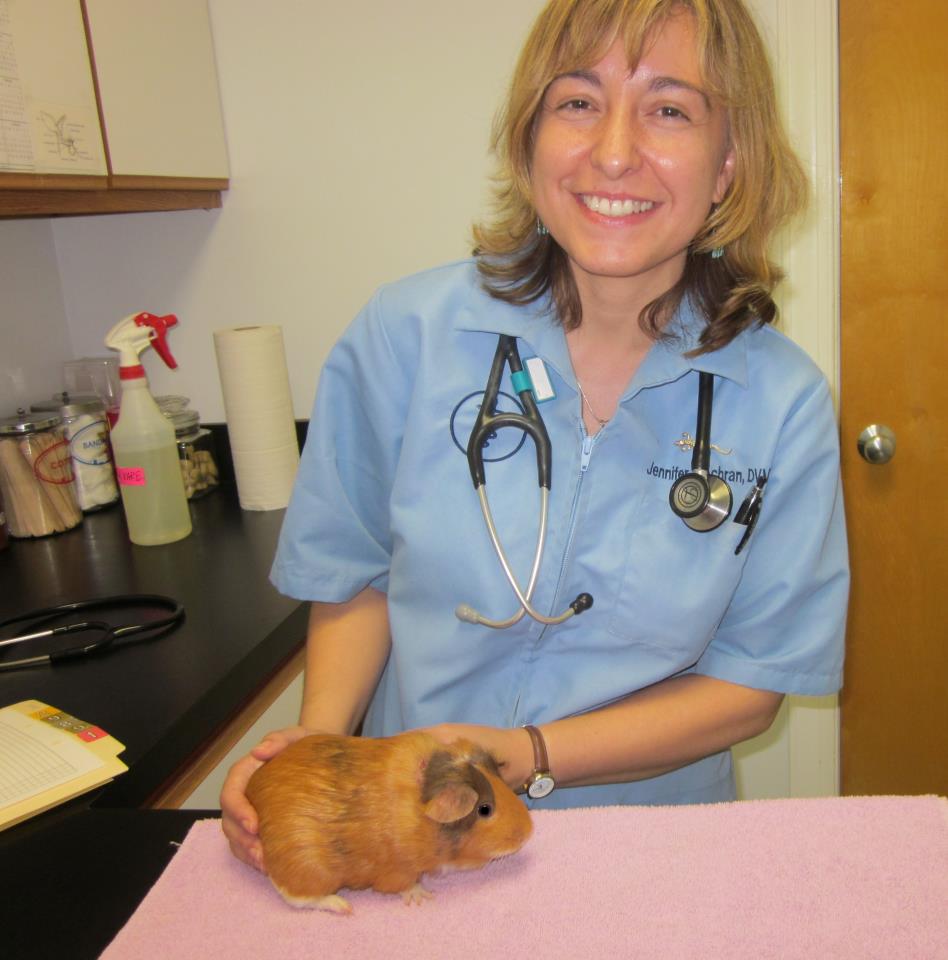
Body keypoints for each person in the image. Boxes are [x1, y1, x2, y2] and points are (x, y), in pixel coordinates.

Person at [222, 0, 848, 871]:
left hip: (650, 842)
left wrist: (528, 754)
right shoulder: (407, 334)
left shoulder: (781, 402)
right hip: (415, 824)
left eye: (670, 109)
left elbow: (750, 685)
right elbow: (352, 575)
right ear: (529, 142)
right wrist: (318, 756)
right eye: (578, 102)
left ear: (729, 164)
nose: (616, 151)